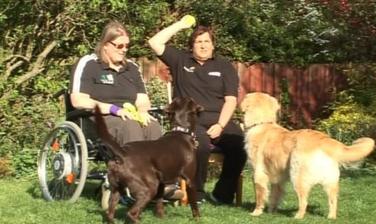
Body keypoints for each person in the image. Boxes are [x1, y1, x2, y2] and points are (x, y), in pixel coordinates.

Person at [69, 20, 181, 200]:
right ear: (106, 45)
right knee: (130, 127)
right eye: (119, 45)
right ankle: (139, 183)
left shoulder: (131, 68)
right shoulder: (89, 64)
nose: (124, 49)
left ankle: (164, 184)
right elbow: (78, 99)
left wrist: (143, 111)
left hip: (128, 114)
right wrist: (113, 109)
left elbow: (142, 99)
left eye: (127, 45)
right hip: (98, 118)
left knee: (153, 126)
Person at [148, 16, 247, 204]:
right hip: (188, 118)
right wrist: (181, 24)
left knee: (240, 144)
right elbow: (154, 42)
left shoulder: (225, 66)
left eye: (207, 41)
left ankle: (222, 194)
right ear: (191, 46)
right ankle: (198, 194)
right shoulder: (180, 60)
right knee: (199, 145)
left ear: (213, 45)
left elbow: (231, 100)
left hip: (219, 118)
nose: (203, 45)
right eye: (198, 42)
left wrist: (220, 124)